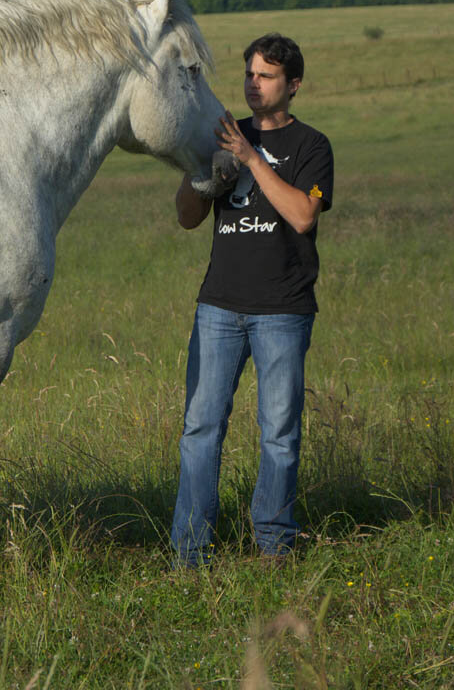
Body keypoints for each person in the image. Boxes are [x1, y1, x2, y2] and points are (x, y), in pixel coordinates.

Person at [170, 33, 334, 567]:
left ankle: (274, 546)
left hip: (283, 310)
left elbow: (304, 217)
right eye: (249, 75)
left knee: (279, 433)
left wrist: (251, 159)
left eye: (265, 76)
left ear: (294, 86)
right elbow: (187, 217)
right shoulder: (226, 133)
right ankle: (190, 552)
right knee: (200, 428)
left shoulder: (312, 146)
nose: (253, 85)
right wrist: (208, 177)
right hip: (219, 305)